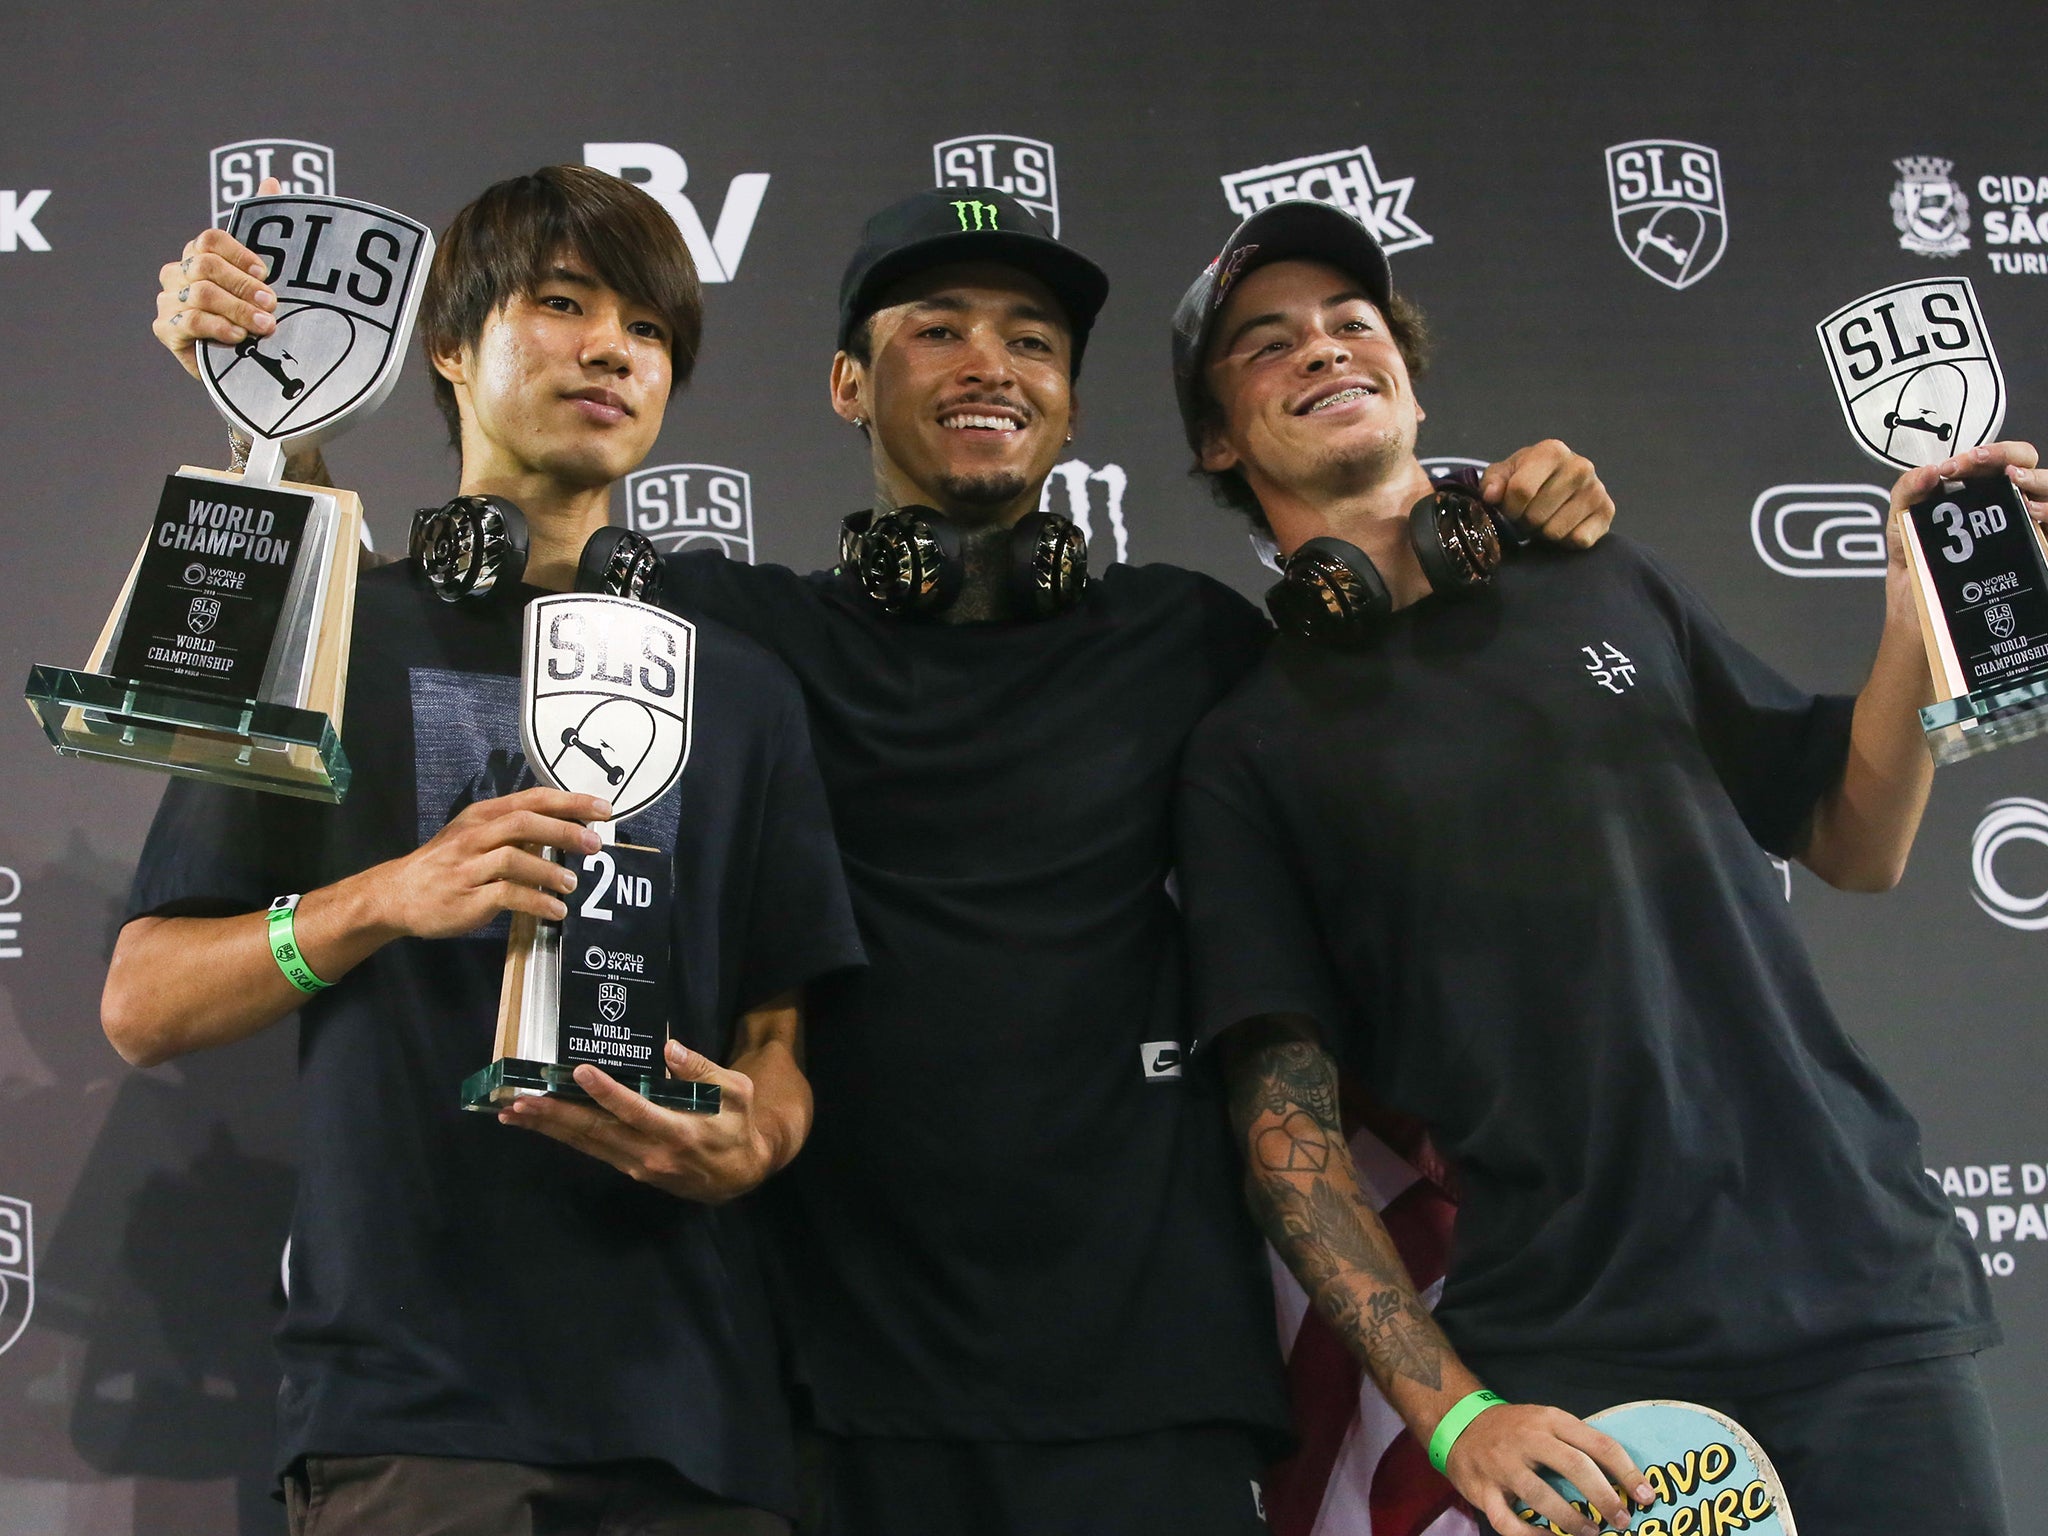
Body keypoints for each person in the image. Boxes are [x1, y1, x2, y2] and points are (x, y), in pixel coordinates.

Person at [156, 181, 1615, 1536]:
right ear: (850, 384)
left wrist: (1496, 511)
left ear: (1072, 399)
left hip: (1147, 1390)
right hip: (827, 1398)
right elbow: (463, 596)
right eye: (936, 330)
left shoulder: (1189, 641)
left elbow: (1382, 639)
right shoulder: (735, 646)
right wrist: (277, 404)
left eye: (1032, 339)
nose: (991, 363)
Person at [1169, 197, 2027, 1536]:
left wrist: (1919, 620)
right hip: (1580, 1358)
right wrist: (1450, 1412)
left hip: (1859, 1286)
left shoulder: (1596, 573)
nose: (1326, 349)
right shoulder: (1247, 747)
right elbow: (1291, 1136)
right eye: (1268, 343)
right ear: (1219, 437)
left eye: (1352, 321)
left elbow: (1855, 840)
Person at [120, 165, 863, 1534]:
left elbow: (780, 1031)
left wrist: (759, 1137)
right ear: (449, 346)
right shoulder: (329, 636)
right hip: (411, 1417)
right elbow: (144, 1000)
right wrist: (382, 899)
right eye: (565, 304)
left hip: (698, 1423)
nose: (611, 351)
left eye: (648, 332)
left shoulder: (744, 684)